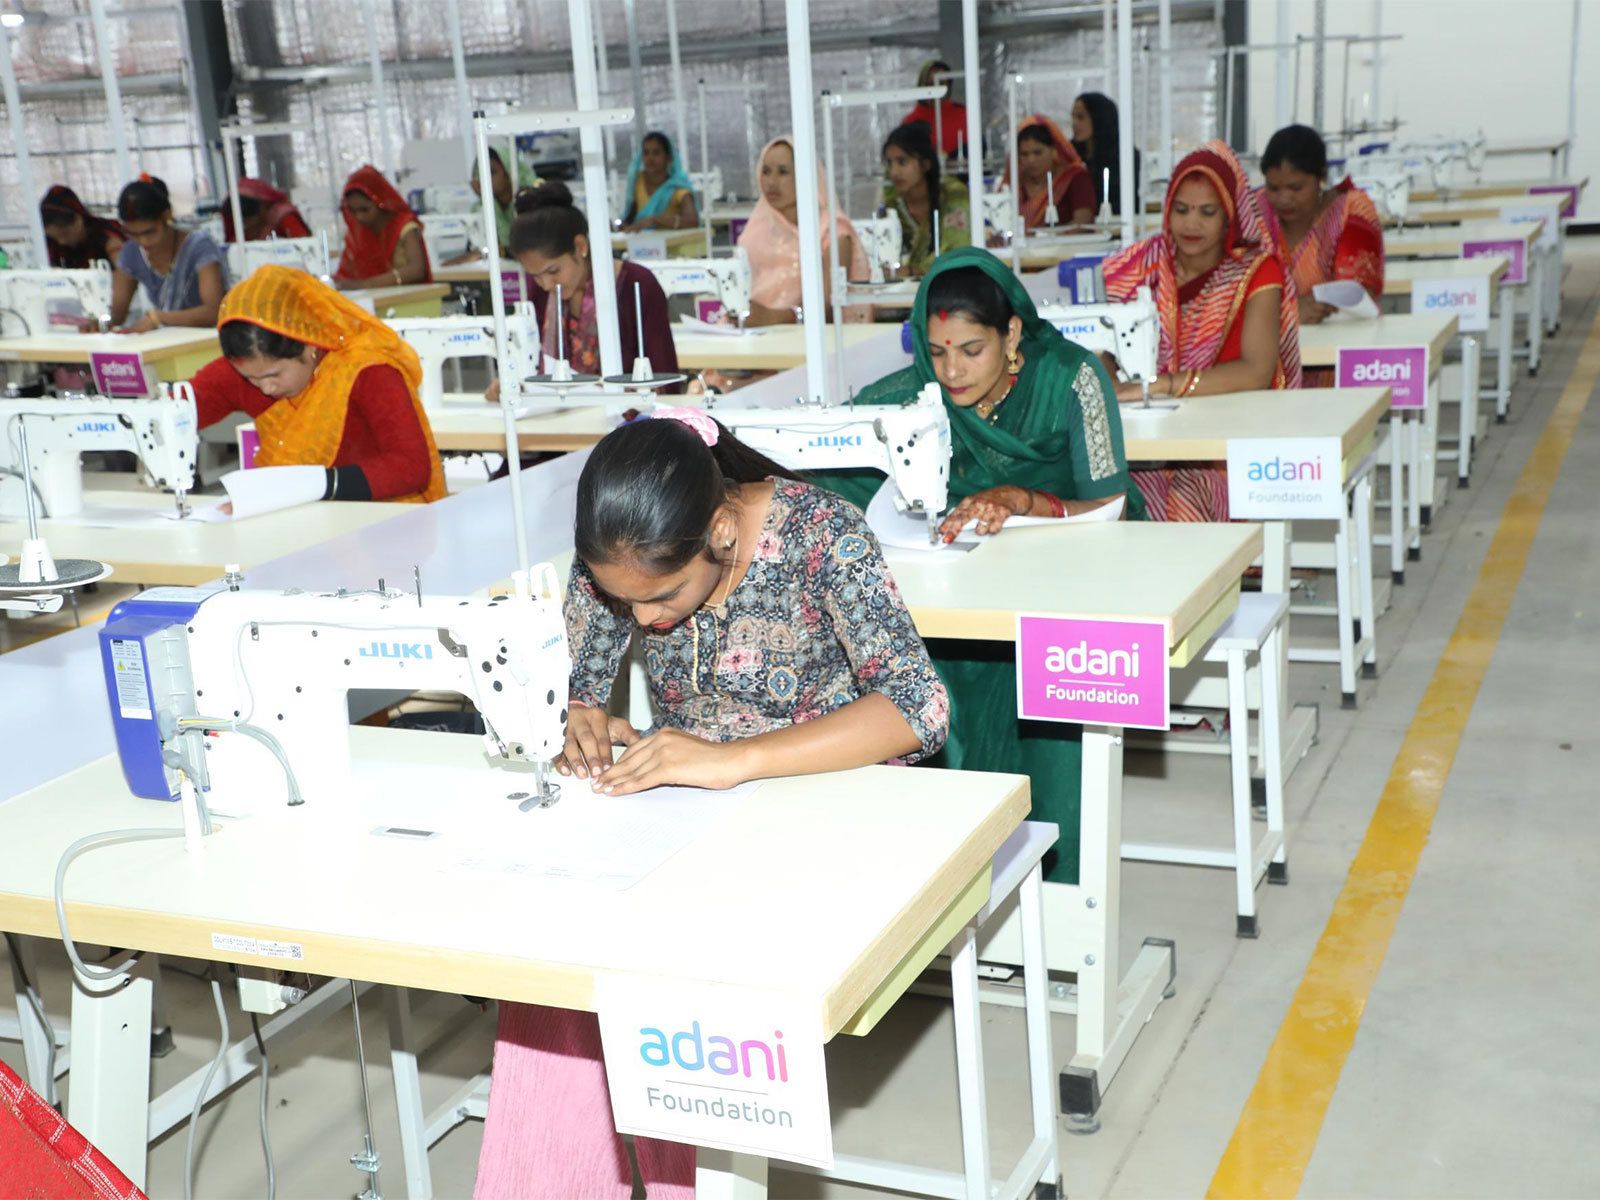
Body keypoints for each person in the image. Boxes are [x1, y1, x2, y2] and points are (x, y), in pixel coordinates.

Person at [473, 410, 949, 1199]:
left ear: (722, 531)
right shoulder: (617, 563)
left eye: (661, 597)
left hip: (832, 808)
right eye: (625, 602)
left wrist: (735, 763)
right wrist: (580, 720)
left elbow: (919, 708)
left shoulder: (820, 533)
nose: (645, 619)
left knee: (671, 964)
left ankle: (682, 1180)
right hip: (691, 805)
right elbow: (578, 688)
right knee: (552, 953)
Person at [814, 246, 1142, 885]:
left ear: (1012, 332)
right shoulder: (913, 395)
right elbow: (837, 476)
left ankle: (1056, 885)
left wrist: (1024, 500)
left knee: (1046, 709)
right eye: (937, 352)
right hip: (963, 594)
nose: (952, 371)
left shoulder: (1072, 379)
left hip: (1067, 587)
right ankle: (947, 880)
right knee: (915, 677)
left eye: (971, 350)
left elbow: (1110, 502)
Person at [1101, 140, 1302, 521]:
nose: (1191, 224)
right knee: (1102, 488)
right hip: (1153, 434)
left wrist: (1160, 384)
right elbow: (1103, 345)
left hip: (1228, 441)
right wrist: (1114, 384)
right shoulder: (1138, 265)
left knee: (1188, 493)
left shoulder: (1257, 271)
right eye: (1181, 210)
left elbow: (1257, 371)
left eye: (1207, 212)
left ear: (1230, 216)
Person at [188, 264, 445, 503]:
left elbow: (411, 466)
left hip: (388, 523)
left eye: (274, 375)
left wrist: (312, 485)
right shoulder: (249, 367)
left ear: (308, 345)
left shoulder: (367, 372)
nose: (265, 388)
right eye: (250, 379)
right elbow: (180, 410)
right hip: (309, 522)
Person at [482, 180, 678, 401]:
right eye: (535, 276)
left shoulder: (637, 285)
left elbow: (667, 385)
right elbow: (533, 366)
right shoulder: (541, 293)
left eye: (553, 270)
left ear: (580, 246)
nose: (546, 284)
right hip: (560, 421)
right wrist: (512, 383)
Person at [1259, 124, 1385, 327]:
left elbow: (1357, 297)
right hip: (1270, 347)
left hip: (1340, 341)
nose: (1283, 199)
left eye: (1296, 188)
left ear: (1322, 176)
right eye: (1273, 188)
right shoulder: (1257, 212)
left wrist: (1284, 313)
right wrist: (1291, 312)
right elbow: (1234, 295)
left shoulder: (1349, 211)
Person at [737, 136, 870, 325]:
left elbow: (829, 304)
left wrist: (782, 317)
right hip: (759, 334)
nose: (771, 182)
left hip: (812, 339)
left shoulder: (832, 231)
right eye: (765, 172)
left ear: (806, 175)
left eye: (783, 172)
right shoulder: (756, 230)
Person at [106, 176, 227, 333]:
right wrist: (102, 323)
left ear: (167, 216)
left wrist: (159, 318)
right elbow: (118, 314)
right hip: (168, 341)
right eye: (132, 234)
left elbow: (213, 311)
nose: (143, 241)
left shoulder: (200, 248)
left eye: (149, 232)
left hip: (207, 340)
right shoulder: (132, 251)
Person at [881, 121, 970, 277]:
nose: (894, 172)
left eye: (902, 162)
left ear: (925, 164)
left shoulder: (954, 195)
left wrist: (913, 271)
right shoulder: (893, 208)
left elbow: (957, 248)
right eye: (890, 163)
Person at [333, 164, 431, 290]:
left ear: (380, 202)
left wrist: (365, 284)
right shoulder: (357, 234)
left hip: (410, 301)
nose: (359, 217)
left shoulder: (404, 227)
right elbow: (346, 275)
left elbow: (416, 270)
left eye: (365, 209)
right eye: (353, 211)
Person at [1002, 116, 1095, 231]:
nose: (1031, 160)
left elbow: (1082, 223)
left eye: (1038, 152)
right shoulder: (1016, 183)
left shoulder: (1074, 178)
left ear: (1053, 151)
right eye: (1024, 154)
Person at [451, 147, 540, 263]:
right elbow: (479, 247)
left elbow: (521, 248)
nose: (485, 178)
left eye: (492, 172)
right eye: (481, 173)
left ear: (508, 172)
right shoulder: (480, 207)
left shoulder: (530, 203)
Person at [1070, 92, 1140, 216]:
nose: (1075, 123)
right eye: (1073, 117)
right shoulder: (1070, 155)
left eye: (1081, 117)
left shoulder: (1124, 155)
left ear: (1099, 118)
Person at [620, 131, 699, 232]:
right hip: (642, 245)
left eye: (656, 153)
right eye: (646, 153)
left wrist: (656, 219)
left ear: (668, 157)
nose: (650, 158)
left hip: (673, 245)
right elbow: (631, 219)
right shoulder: (638, 180)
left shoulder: (678, 187)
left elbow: (692, 222)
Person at [40, 185, 126, 269]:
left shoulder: (106, 236)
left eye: (65, 234)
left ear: (78, 219)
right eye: (54, 238)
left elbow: (125, 270)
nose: (61, 242)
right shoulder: (52, 245)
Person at [901, 59, 969, 158]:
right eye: (930, 84)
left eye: (941, 84)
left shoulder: (963, 113)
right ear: (921, 86)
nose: (935, 89)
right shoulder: (911, 122)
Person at [221, 178, 313, 242]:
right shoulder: (230, 218)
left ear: (264, 206)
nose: (246, 225)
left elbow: (305, 244)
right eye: (242, 221)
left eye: (249, 219)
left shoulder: (283, 216)